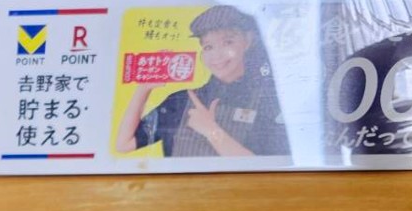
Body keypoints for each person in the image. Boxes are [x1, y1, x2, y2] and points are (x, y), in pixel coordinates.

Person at [114, 5, 289, 158]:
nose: (217, 55)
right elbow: (124, 144)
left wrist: (211, 130)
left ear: (248, 41)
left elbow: (267, 167)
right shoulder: (181, 100)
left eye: (228, 42)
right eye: (208, 47)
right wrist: (143, 89)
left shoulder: (268, 100)